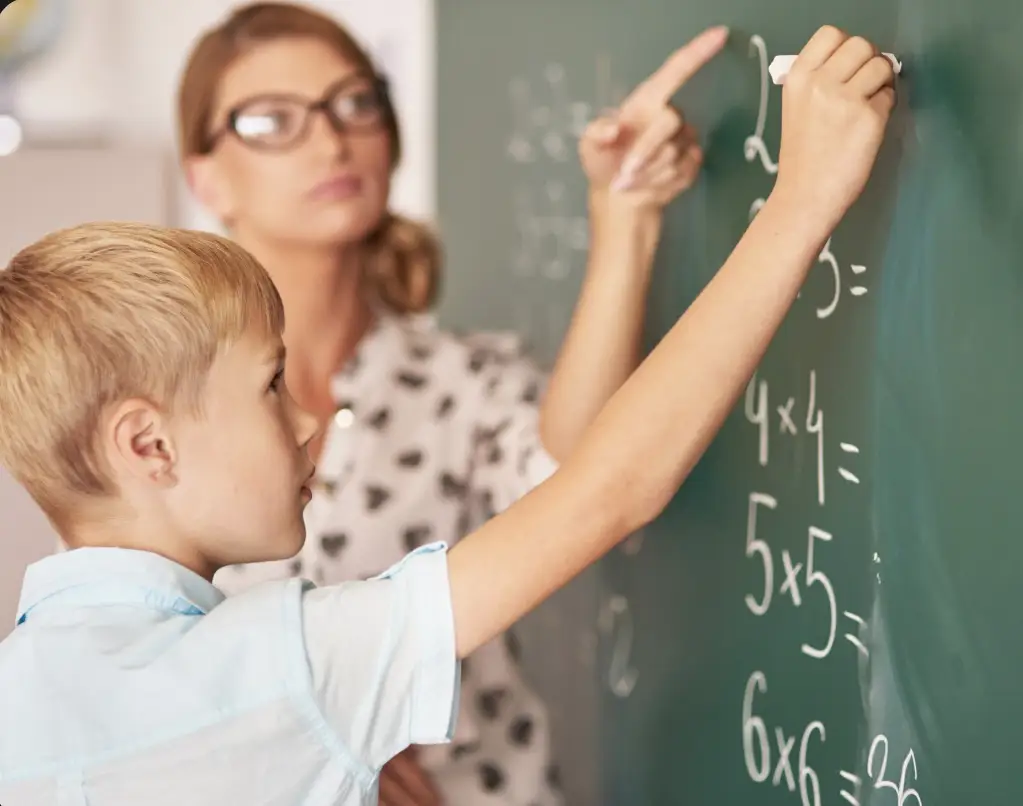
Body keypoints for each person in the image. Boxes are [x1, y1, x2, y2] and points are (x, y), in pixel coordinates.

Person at [0, 24, 898, 806]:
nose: (310, 422)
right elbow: (607, 489)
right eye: (272, 388)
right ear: (146, 445)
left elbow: (572, 471)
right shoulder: (288, 666)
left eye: (354, 103)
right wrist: (803, 198)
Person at [175, 4, 724, 802]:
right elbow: (106, 646)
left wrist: (625, 216)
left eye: (354, 103)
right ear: (205, 177)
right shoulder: (160, 409)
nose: (332, 141)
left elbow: (576, 485)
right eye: (271, 121)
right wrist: (313, 747)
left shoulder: (461, 382)